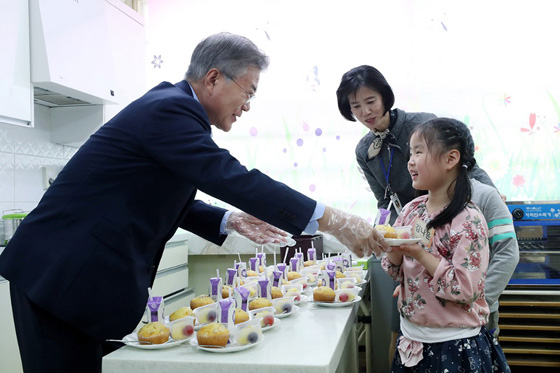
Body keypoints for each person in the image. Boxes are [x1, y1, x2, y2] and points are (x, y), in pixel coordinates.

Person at [0, 33, 388, 372]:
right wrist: (333, 220)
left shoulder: (173, 110)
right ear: (214, 78)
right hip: (60, 277)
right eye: (249, 92)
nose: (248, 105)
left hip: (81, 280)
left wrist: (227, 220)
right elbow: (230, 176)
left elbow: (152, 192)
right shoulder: (170, 109)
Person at [335, 64, 518, 366]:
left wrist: (487, 191)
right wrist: (388, 236)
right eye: (356, 106)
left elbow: (461, 157)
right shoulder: (368, 155)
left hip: (459, 311)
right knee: (402, 337)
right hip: (416, 235)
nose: (365, 111)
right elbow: (384, 199)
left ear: (385, 97)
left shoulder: (470, 209)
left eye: (370, 101)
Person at [381, 117, 511, 372]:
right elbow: (394, 271)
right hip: (412, 339)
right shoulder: (410, 211)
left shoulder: (468, 219)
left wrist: (418, 253)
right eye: (410, 152)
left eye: (419, 151)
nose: (410, 161)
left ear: (451, 159)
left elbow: (465, 289)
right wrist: (395, 252)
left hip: (453, 344)